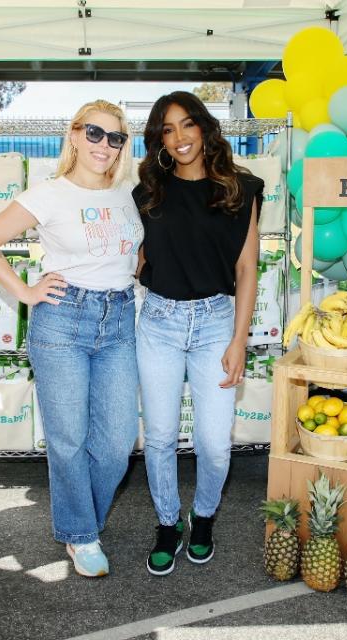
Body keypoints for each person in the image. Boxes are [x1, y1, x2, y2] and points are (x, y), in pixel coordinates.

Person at [0, 100, 143, 578]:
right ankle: (82, 534)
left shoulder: (129, 193)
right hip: (63, 321)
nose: (103, 146)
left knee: (117, 441)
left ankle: (77, 520)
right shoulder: (48, 194)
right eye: (94, 133)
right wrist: (26, 292)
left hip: (119, 318)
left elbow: (138, 252)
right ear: (73, 135)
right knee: (68, 439)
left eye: (115, 138)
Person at [133, 91, 262, 576]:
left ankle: (203, 516)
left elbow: (247, 267)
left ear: (205, 128)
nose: (180, 137)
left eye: (187, 125)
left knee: (214, 443)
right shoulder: (149, 191)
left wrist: (239, 340)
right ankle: (168, 524)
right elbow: (138, 254)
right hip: (160, 323)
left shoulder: (240, 188)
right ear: (159, 139)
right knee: (161, 437)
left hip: (215, 324)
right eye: (168, 129)